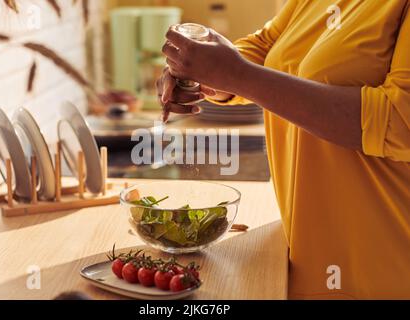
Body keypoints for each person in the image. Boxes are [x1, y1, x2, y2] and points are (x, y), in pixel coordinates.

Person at [156, 0, 410, 299]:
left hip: (382, 269)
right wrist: (205, 73)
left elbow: (399, 120)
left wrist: (237, 75)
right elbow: (267, 46)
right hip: (305, 252)